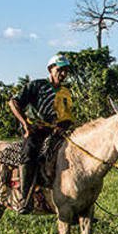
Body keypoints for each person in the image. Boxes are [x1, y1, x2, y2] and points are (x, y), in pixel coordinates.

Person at [8, 53, 74, 213]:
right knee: (29, 153)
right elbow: (13, 102)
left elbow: (67, 116)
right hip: (35, 131)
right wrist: (25, 124)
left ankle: (75, 200)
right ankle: (25, 198)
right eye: (60, 70)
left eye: (66, 71)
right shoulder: (37, 85)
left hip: (57, 133)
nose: (63, 74)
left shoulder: (66, 92)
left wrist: (64, 126)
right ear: (51, 69)